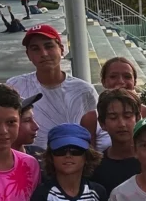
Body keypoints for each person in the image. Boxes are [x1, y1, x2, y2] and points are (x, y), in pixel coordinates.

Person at [7, 24, 98, 152]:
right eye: (35, 49)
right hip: (28, 161)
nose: (43, 54)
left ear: (61, 49)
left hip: (70, 161)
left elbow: (91, 139)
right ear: (28, 55)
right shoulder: (15, 86)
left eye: (49, 46)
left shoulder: (84, 91)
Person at [81, 58, 146, 151]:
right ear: (103, 81)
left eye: (127, 76)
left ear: (134, 82)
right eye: (113, 77)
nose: (121, 81)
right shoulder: (91, 119)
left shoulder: (145, 112)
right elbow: (90, 158)